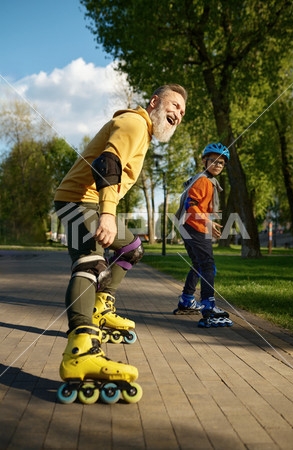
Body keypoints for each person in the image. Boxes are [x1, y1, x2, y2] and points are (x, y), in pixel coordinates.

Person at [54, 84, 187, 404]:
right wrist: (108, 215)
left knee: (132, 248)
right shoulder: (134, 123)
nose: (178, 115)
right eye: (174, 106)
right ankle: (81, 349)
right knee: (91, 263)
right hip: (78, 200)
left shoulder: (142, 131)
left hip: (89, 203)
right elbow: (107, 164)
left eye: (183, 112)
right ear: (154, 102)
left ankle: (101, 307)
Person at [174, 143, 233, 328]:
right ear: (204, 161)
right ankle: (209, 305)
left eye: (221, 163)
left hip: (188, 226)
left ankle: (187, 300)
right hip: (195, 227)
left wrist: (209, 218)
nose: (218, 165)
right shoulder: (204, 180)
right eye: (214, 161)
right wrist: (206, 221)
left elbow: (197, 205)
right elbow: (191, 205)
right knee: (208, 266)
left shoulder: (203, 179)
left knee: (199, 265)